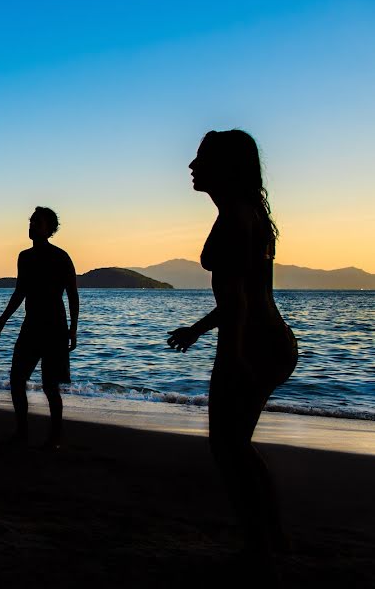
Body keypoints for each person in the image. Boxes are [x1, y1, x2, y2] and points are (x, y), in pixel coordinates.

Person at [167, 130, 298, 568]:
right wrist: (199, 329)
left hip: (253, 344)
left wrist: (236, 356)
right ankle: (269, 536)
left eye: (200, 158)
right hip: (267, 340)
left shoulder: (235, 219)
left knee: (227, 447)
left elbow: (240, 301)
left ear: (225, 167)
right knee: (234, 445)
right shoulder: (247, 215)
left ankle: (260, 544)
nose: (191, 165)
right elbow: (240, 295)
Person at [0, 207, 79, 449]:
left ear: (50, 229)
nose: (31, 226)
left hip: (56, 328)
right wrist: (3, 319)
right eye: (30, 222)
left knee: (50, 386)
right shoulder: (24, 257)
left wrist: (73, 329)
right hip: (31, 326)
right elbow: (20, 292)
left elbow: (72, 294)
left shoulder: (61, 257)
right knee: (17, 379)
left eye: (36, 223)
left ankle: (55, 438)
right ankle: (21, 433)